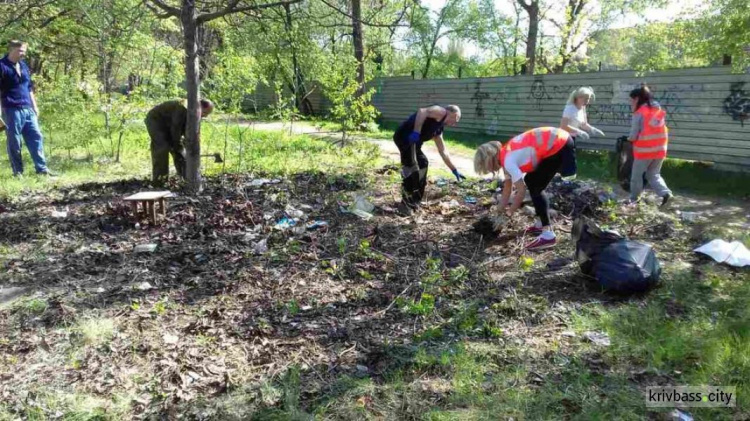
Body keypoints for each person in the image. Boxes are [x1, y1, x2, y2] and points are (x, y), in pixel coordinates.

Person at [473, 127, 576, 250]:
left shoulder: (508, 161)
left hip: (558, 144)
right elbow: (507, 189)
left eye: (486, 167)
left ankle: (548, 234)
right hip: (559, 140)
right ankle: (540, 224)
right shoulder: (505, 155)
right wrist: (499, 210)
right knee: (532, 182)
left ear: (489, 159)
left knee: (535, 186)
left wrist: (509, 213)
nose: (490, 171)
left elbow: (521, 191)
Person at [393, 104, 465, 216]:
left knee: (423, 163)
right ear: (451, 113)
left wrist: (454, 169)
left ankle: (415, 201)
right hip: (405, 137)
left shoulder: (438, 129)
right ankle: (405, 205)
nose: (454, 123)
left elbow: (443, 151)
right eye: (455, 119)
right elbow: (422, 111)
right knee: (411, 167)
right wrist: (416, 132)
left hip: (414, 144)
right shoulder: (441, 112)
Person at [0, 40, 52, 177]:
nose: (23, 54)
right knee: (14, 142)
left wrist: (34, 106)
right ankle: (18, 173)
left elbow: (29, 88)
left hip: (28, 109)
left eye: (24, 51)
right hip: (11, 109)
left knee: (36, 137)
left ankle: (42, 169)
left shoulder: (23, 66)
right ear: (11, 49)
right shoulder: (2, 66)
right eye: (21, 50)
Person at [145, 99, 214, 185]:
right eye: (205, 113)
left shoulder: (195, 113)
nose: (205, 116)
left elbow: (193, 133)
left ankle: (187, 178)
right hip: (156, 121)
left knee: (180, 151)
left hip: (171, 123)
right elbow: (175, 128)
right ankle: (160, 180)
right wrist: (177, 145)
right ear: (199, 108)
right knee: (162, 147)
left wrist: (191, 147)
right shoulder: (182, 108)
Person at [627, 85, 673, 207]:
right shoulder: (657, 110)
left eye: (631, 99)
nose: (630, 102)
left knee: (636, 176)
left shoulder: (639, 112)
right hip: (660, 149)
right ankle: (666, 193)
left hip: (644, 150)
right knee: (653, 174)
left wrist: (628, 139)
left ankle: (634, 200)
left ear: (637, 99)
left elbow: (633, 134)